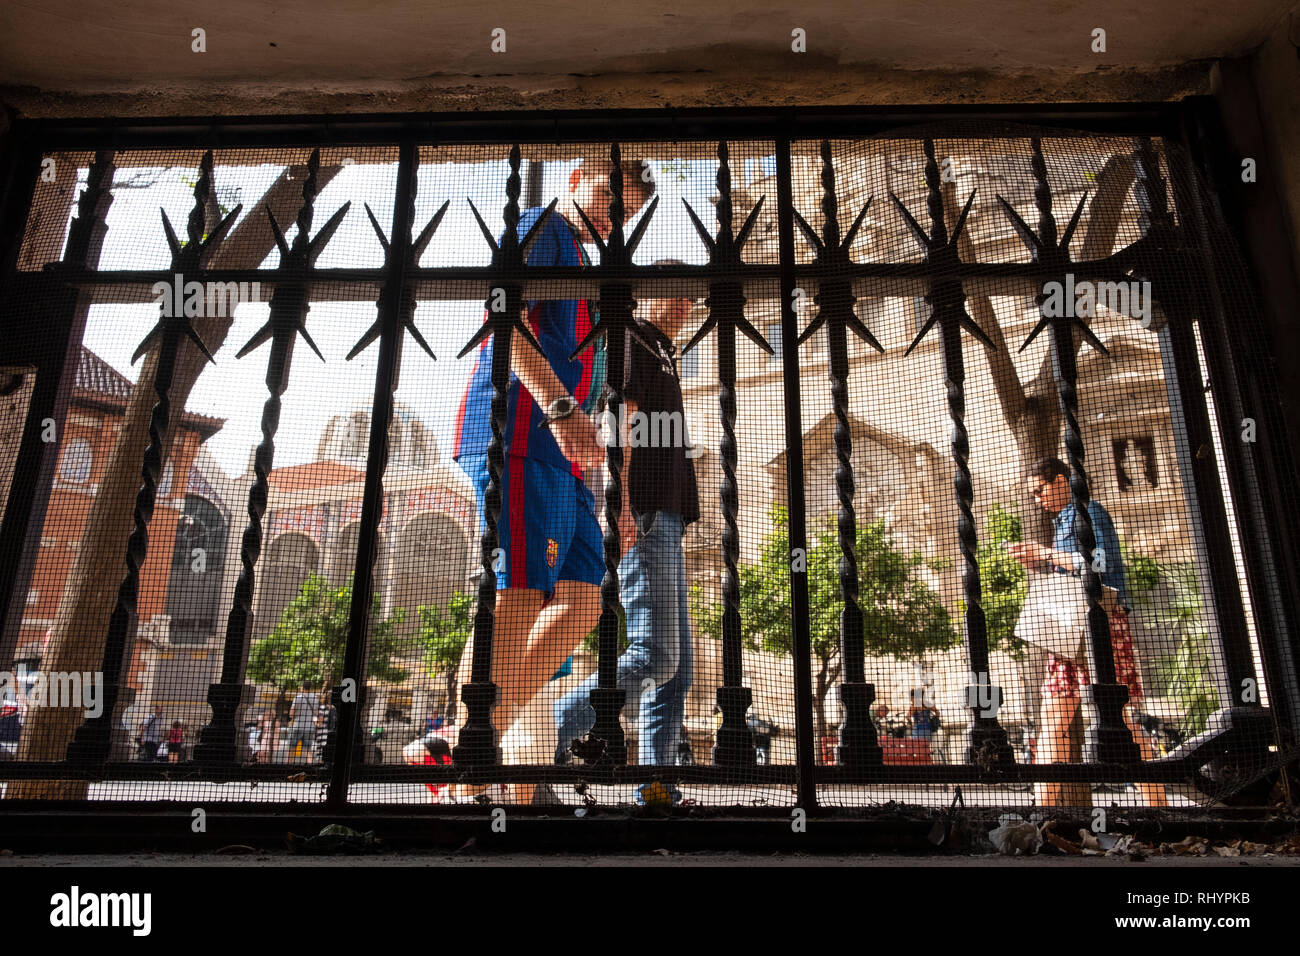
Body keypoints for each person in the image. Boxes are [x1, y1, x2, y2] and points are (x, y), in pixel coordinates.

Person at [451, 156, 655, 804]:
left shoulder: (594, 277)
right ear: (575, 180)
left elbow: (601, 388)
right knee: (516, 593)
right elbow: (502, 316)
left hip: (569, 454)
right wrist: (560, 408)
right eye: (605, 197)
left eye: (626, 213)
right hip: (518, 430)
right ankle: (465, 764)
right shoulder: (544, 227)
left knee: (583, 601)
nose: (611, 217)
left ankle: (462, 744)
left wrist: (614, 482)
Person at [551, 283, 699, 806]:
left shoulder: (664, 349)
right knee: (656, 655)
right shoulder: (632, 336)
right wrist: (619, 503)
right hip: (645, 512)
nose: (683, 303)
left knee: (677, 672)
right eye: (674, 295)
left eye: (688, 299)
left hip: (669, 516)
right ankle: (555, 726)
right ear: (647, 297)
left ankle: (657, 788)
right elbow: (623, 414)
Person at [1007, 456, 1166, 807]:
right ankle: (1043, 810)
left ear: (1062, 480)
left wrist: (1044, 552)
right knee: (1059, 717)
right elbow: (1075, 568)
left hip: (1098, 623)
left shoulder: (1089, 512)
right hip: (1073, 626)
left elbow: (1098, 564)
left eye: (1039, 490)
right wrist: (1041, 561)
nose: (1037, 499)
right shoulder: (1066, 519)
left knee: (1117, 717)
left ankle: (1159, 807)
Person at [287, 681, 320, 765]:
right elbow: (316, 712)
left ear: (302, 687)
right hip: (309, 727)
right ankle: (310, 767)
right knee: (307, 749)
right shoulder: (315, 698)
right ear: (310, 688)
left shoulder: (298, 697)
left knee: (292, 748)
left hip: (297, 726)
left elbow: (291, 713)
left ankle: (288, 767)